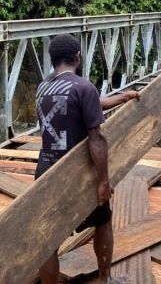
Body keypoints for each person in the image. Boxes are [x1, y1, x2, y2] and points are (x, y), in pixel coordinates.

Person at [36, 34, 137, 284]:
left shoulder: (43, 87)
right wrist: (103, 181)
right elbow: (97, 139)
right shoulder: (83, 86)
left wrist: (122, 97)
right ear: (77, 57)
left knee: (49, 239)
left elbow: (90, 103)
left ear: (53, 59)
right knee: (102, 222)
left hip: (47, 169)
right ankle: (104, 279)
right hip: (78, 172)